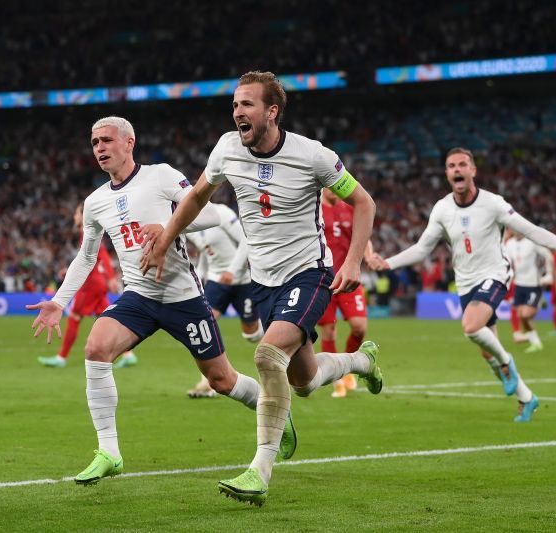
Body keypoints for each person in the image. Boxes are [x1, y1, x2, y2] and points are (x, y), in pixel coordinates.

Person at [140, 71, 383, 506]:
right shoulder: (227, 148)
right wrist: (164, 239)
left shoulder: (314, 156)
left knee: (267, 355)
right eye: (235, 105)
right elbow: (196, 197)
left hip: (310, 273)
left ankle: (260, 470)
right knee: (304, 381)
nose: (238, 112)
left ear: (271, 111)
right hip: (264, 280)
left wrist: (351, 261)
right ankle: (360, 361)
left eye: (247, 104)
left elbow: (363, 201)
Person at [26, 115, 295, 486]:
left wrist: (169, 227)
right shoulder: (95, 202)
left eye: (106, 140)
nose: (100, 148)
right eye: (94, 143)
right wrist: (59, 301)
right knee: (96, 348)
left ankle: (275, 408)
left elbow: (213, 214)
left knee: (221, 379)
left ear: (129, 142)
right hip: (138, 296)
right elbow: (87, 256)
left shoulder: (161, 176)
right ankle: (109, 452)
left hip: (183, 297)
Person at [369, 147, 556, 423]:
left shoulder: (493, 203)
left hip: (495, 274)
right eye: (451, 166)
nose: (457, 169)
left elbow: (530, 229)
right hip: (466, 282)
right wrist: (389, 263)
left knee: (471, 326)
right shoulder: (442, 209)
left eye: (462, 165)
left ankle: (508, 364)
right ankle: (527, 399)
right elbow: (423, 248)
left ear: (473, 170)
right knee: (486, 348)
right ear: (447, 174)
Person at [38, 202, 137, 369]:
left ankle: (61, 358)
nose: (74, 216)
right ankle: (128, 354)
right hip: (97, 283)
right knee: (109, 319)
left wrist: (111, 277)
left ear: (83, 216)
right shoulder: (87, 233)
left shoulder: (87, 232)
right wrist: (70, 271)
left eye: (76, 213)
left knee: (75, 317)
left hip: (90, 284)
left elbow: (102, 254)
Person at [186, 202, 264, 398]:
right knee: (205, 324)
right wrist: (200, 276)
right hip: (217, 280)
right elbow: (205, 252)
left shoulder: (221, 213)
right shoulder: (189, 224)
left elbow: (246, 240)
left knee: (252, 334)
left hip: (243, 279)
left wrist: (233, 270)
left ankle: (282, 350)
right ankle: (207, 381)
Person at [317, 188, 376, 398]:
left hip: (349, 278)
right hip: (324, 280)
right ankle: (337, 380)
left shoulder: (349, 208)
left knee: (359, 327)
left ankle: (348, 366)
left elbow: (363, 236)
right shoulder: (315, 208)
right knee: (329, 331)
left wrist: (368, 255)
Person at [503, 230, 554, 353]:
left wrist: (549, 274)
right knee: (521, 316)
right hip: (519, 284)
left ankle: (540, 300)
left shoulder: (532, 242)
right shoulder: (509, 244)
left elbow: (549, 256)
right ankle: (536, 343)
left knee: (526, 314)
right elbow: (506, 261)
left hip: (533, 284)